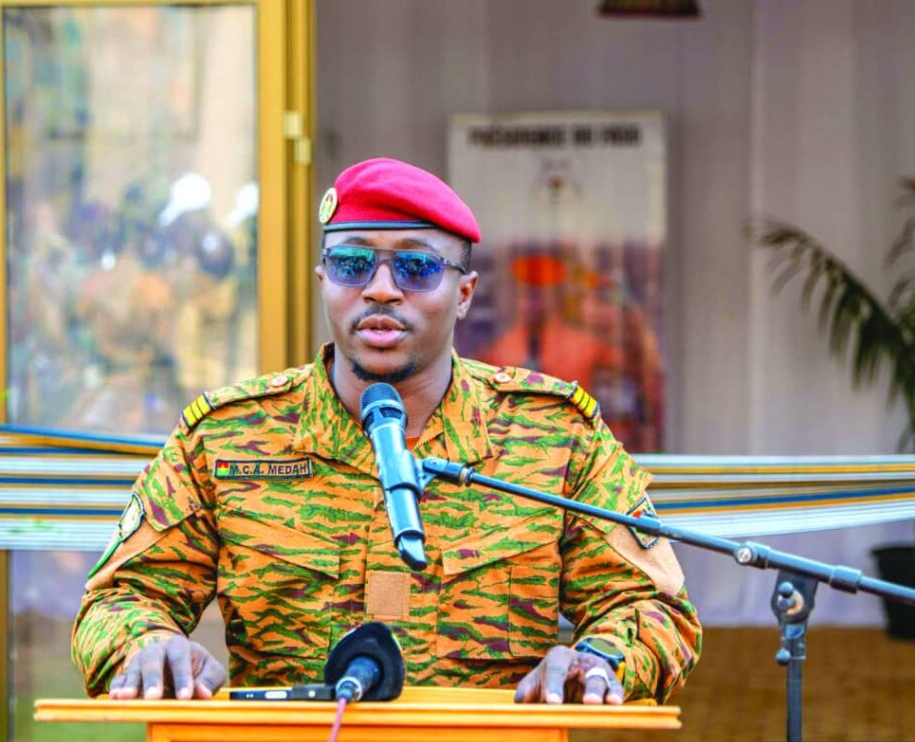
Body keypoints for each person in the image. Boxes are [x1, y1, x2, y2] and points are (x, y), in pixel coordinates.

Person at [72, 157, 702, 706]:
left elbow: (653, 608)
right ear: (324, 280)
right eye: (352, 264)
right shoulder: (228, 440)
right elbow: (118, 599)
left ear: (464, 293)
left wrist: (598, 658)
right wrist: (149, 644)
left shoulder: (553, 438)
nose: (380, 290)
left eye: (417, 268)